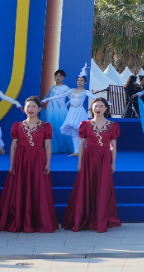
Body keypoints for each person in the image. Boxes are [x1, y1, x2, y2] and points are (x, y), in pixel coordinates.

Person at [61, 98, 120, 233]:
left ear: (106, 108)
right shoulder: (85, 124)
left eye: (101, 106)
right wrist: (80, 162)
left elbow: (113, 147)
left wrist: (113, 163)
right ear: (92, 108)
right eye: (95, 106)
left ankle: (101, 219)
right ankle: (84, 217)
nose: (98, 108)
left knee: (103, 187)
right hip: (89, 158)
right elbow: (82, 145)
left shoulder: (113, 125)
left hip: (105, 158)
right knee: (86, 187)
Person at [0, 96, 58, 233]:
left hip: (38, 160)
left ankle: (38, 221)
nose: (30, 109)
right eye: (28, 106)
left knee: (38, 188)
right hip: (21, 160)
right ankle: (20, 220)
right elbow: (13, 146)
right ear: (24, 109)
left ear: (39, 109)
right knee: (20, 188)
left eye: (33, 106)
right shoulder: (17, 126)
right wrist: (12, 164)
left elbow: (48, 147)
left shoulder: (46, 126)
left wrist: (48, 164)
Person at [43, 64, 97, 157]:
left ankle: (85, 149)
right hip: (70, 111)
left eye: (81, 80)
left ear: (85, 82)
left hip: (78, 112)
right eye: (78, 80)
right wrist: (46, 99)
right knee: (73, 130)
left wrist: (106, 102)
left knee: (81, 130)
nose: (79, 82)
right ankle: (76, 151)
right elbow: (60, 96)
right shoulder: (71, 90)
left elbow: (94, 97)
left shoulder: (85, 91)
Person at [41, 69, 73, 153]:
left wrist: (66, 104)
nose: (58, 78)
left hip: (61, 110)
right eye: (56, 76)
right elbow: (47, 96)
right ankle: (52, 148)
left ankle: (65, 147)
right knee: (51, 126)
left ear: (63, 78)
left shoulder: (66, 88)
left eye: (60, 76)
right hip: (50, 109)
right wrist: (41, 102)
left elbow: (72, 98)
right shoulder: (52, 87)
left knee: (61, 126)